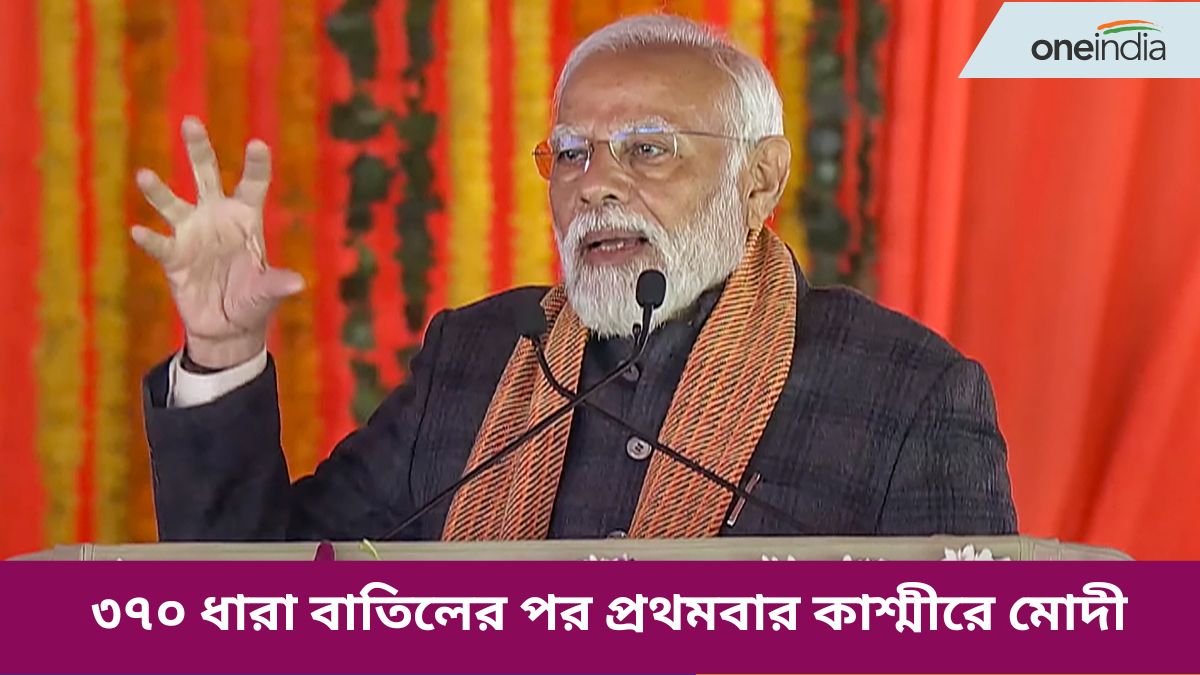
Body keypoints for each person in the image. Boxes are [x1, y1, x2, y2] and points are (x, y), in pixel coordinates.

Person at [135, 14, 1016, 542]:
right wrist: (221, 350)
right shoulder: (478, 355)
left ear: (759, 180)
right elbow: (255, 602)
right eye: (569, 152)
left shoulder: (907, 390)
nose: (595, 183)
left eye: (647, 149)